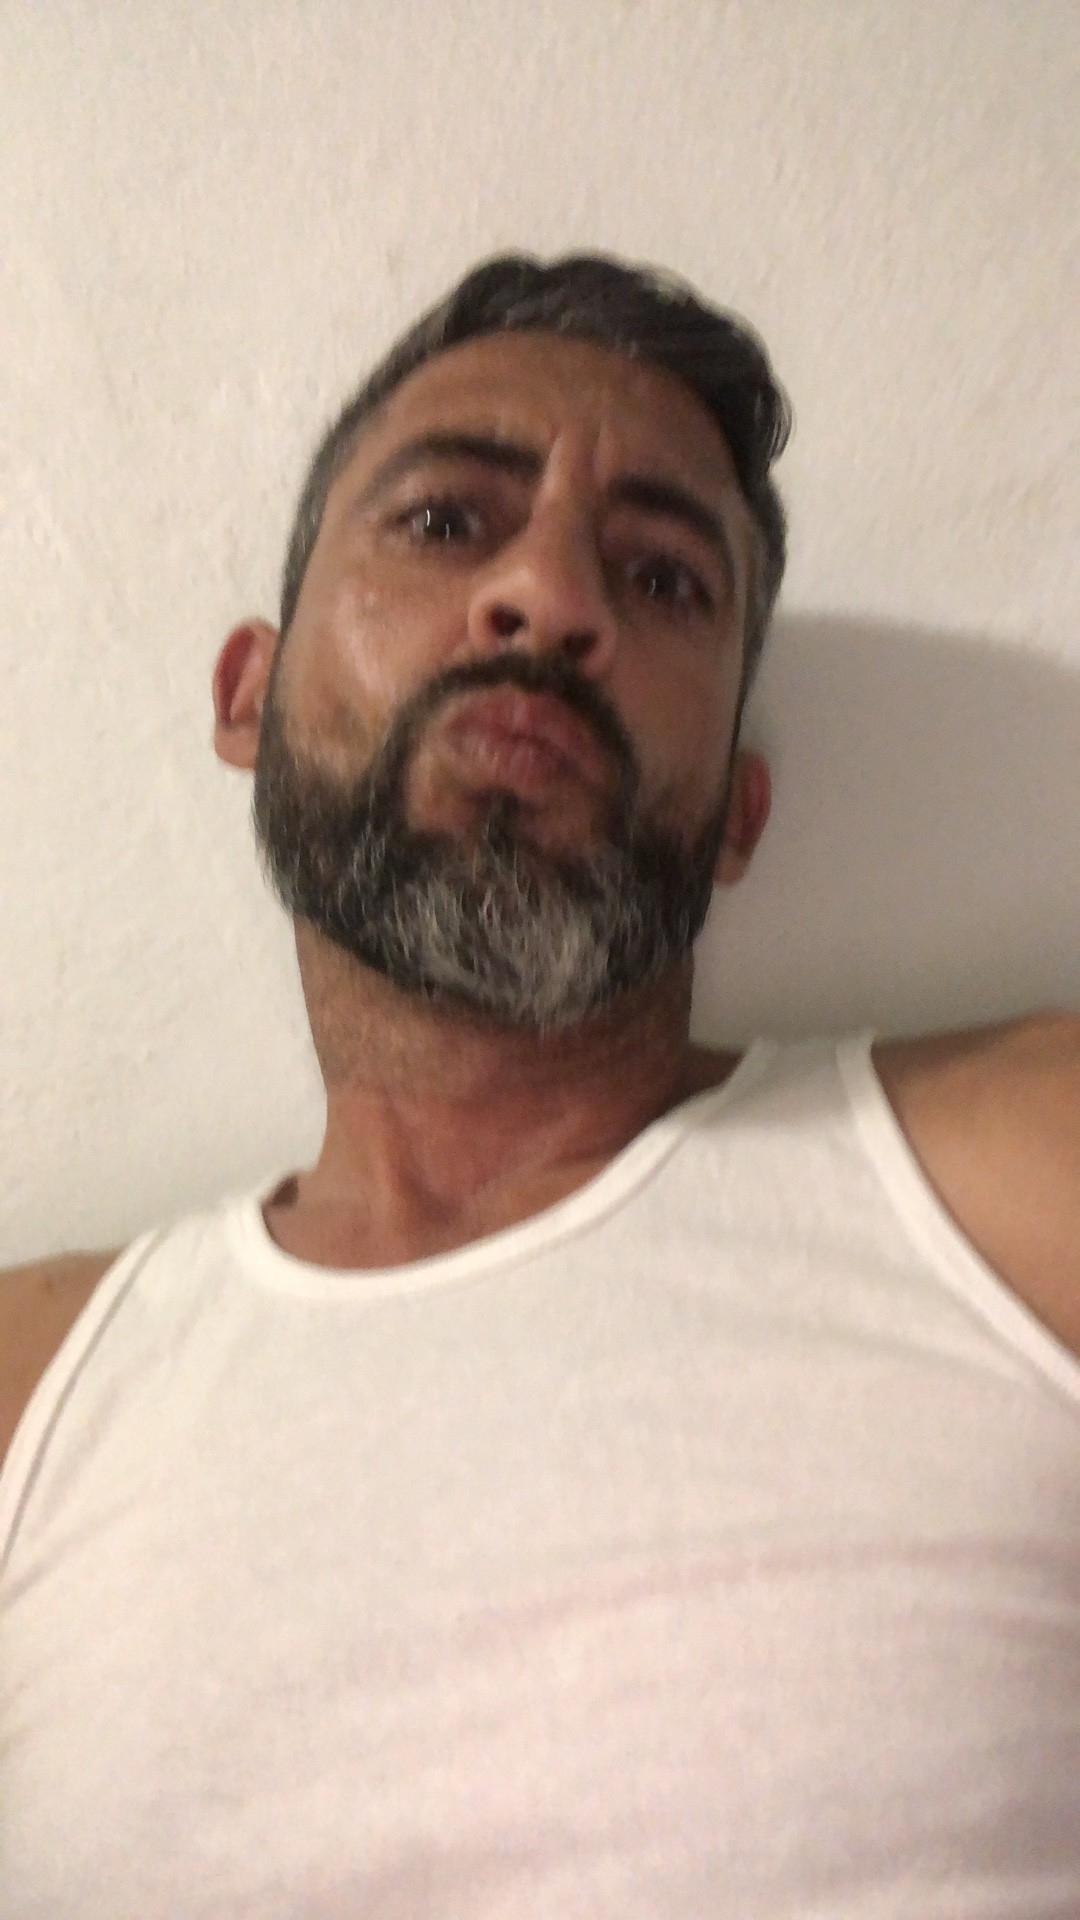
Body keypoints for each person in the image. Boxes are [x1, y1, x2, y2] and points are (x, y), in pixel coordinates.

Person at [1, 252, 1077, 1916]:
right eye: (446, 521)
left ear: (737, 816)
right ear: (248, 697)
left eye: (661, 577)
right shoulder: (38, 1390)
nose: (550, 596)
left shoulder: (1022, 1169)